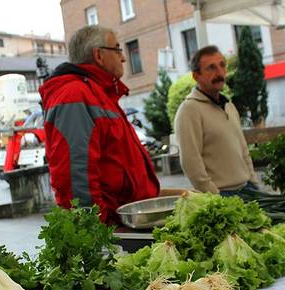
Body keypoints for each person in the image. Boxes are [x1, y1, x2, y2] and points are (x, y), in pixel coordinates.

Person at [38, 26, 159, 224]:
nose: (123, 58)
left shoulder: (99, 94)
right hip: (113, 230)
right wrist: (97, 236)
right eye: (117, 49)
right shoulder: (76, 95)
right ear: (99, 55)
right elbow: (76, 179)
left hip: (128, 222)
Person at [174, 45, 261, 195]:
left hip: (248, 189)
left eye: (222, 65)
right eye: (211, 68)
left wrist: (253, 181)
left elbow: (243, 150)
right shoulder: (189, 110)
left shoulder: (229, 106)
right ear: (196, 76)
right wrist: (214, 195)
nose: (220, 73)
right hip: (222, 194)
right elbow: (190, 161)